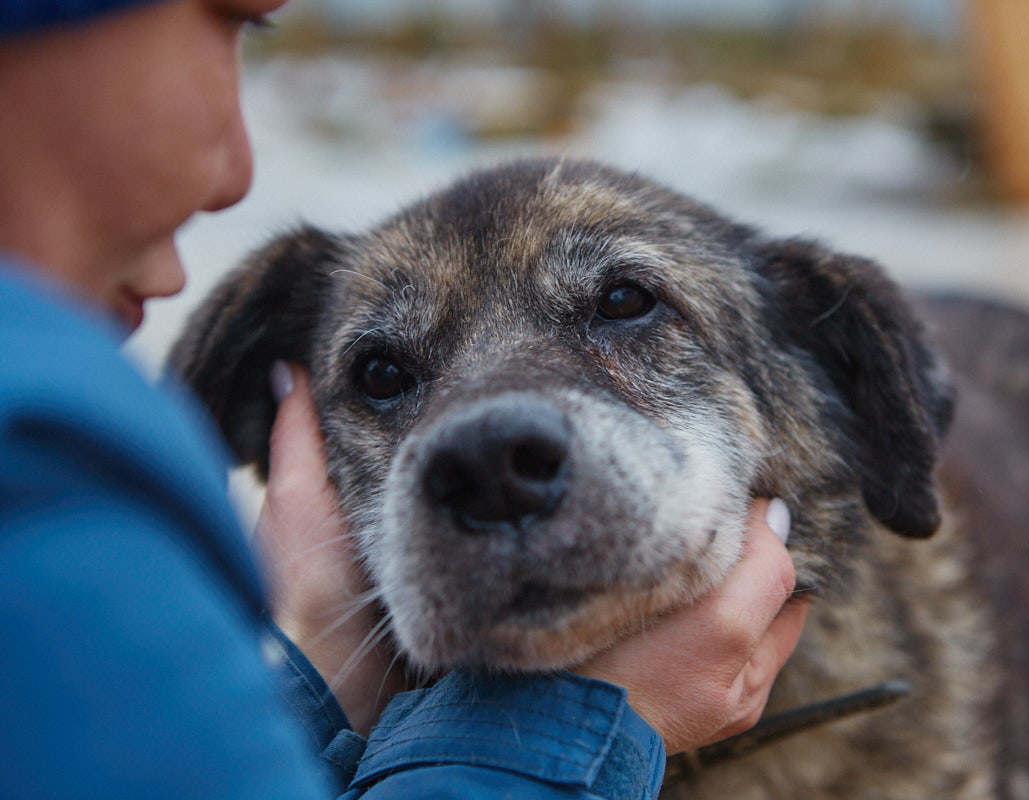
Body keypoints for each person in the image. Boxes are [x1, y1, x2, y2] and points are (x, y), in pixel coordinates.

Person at [0, 1, 811, 798]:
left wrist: (321, 676)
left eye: (625, 306)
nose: (489, 454)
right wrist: (584, 728)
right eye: (385, 379)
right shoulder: (39, 481)